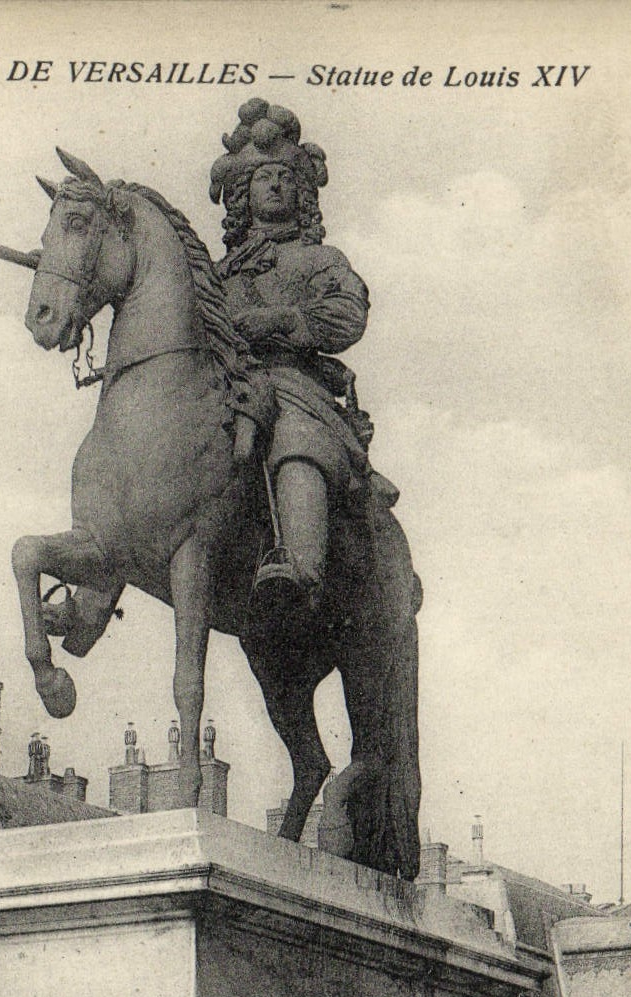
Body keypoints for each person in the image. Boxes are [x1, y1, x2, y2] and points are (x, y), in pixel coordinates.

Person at [210, 100, 377, 618]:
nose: (275, 186)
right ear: (244, 192)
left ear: (301, 192)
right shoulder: (216, 273)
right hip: (223, 386)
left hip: (293, 385)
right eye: (264, 178)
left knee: (293, 437)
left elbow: (348, 315)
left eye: (285, 177)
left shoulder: (322, 260)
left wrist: (283, 321)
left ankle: (300, 569)